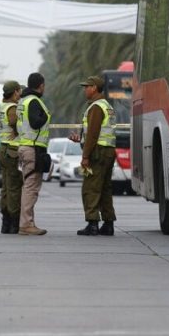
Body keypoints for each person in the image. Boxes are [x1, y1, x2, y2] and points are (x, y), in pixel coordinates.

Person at [69, 76, 117, 236]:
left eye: (87, 87)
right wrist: (80, 139)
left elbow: (93, 134)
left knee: (90, 188)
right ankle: (108, 224)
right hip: (108, 151)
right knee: (105, 188)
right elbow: (95, 132)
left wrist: (85, 156)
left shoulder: (96, 107)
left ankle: (92, 223)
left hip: (98, 152)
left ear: (94, 88)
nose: (85, 90)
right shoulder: (106, 106)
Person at [16, 72, 52, 236]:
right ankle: (26, 224)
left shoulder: (23, 101)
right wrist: (45, 115)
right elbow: (35, 122)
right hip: (33, 148)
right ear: (41, 85)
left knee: (28, 187)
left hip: (26, 145)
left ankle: (27, 222)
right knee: (31, 188)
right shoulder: (34, 101)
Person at [0, 80, 22, 234]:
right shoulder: (12, 108)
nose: (20, 93)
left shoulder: (1, 107)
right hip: (12, 150)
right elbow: (14, 122)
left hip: (3, 148)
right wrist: (15, 131)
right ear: (15, 92)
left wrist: (4, 129)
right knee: (14, 187)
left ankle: (5, 222)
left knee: (5, 187)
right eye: (19, 91)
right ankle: (14, 222)